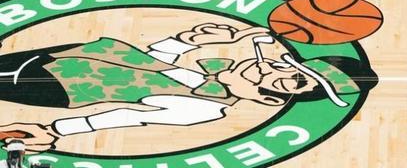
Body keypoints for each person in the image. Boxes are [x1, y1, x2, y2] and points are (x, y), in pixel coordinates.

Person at [0, 22, 378, 146]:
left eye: (291, 81)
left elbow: (128, 114)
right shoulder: (199, 76)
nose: (270, 69)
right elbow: (151, 60)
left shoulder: (205, 107)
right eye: (287, 66)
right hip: (66, 54)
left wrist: (56, 130)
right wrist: (189, 40)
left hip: (57, 82)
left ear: (270, 100)